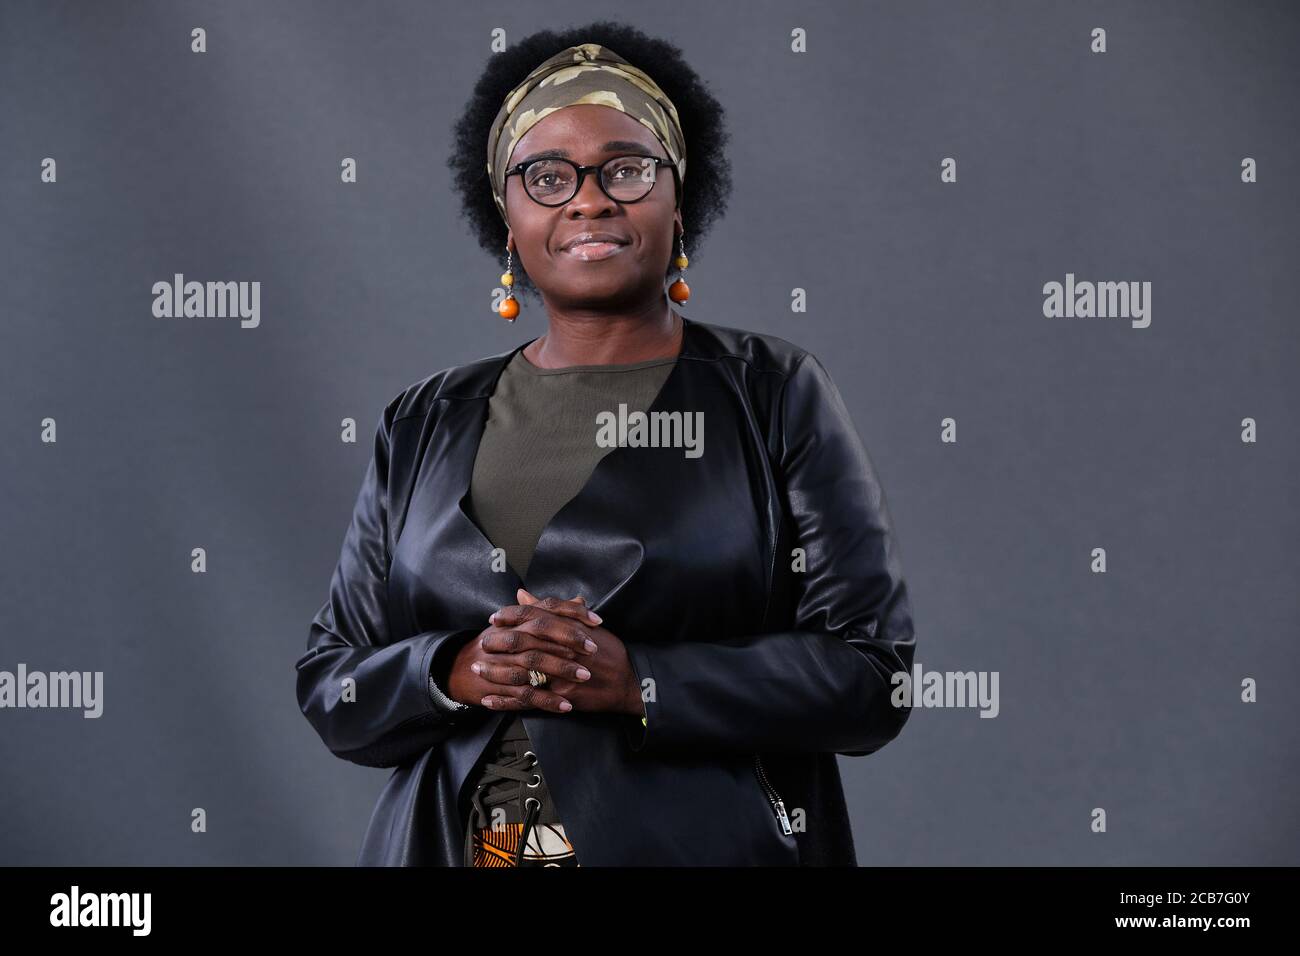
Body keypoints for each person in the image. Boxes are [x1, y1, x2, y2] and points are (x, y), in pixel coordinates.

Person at [296, 23, 916, 867]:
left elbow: (873, 675)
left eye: (626, 169)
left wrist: (642, 681)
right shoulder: (424, 419)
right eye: (545, 178)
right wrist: (455, 670)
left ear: (678, 200)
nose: (588, 200)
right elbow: (333, 681)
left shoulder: (770, 391)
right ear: (507, 221)